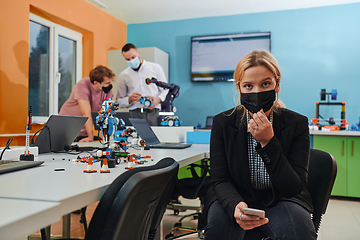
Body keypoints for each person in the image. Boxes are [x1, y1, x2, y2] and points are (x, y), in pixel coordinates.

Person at [204, 50, 317, 240]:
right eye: (248, 86)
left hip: (282, 197)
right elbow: (220, 179)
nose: (257, 92)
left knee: (299, 233)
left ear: (277, 85)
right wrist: (235, 206)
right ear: (239, 88)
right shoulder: (222, 123)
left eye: (265, 84)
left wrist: (268, 142)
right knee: (218, 230)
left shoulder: (296, 123)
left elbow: (293, 187)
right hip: (235, 195)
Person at [59, 66, 115, 142]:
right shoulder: (82, 85)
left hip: (83, 132)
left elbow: (107, 112)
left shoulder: (107, 89)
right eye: (107, 83)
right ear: (96, 83)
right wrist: (90, 136)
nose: (110, 85)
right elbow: (86, 113)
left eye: (110, 82)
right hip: (66, 129)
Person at [116, 43, 168, 126]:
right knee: (134, 138)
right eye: (127, 59)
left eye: (133, 57)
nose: (131, 61)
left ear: (139, 53)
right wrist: (129, 99)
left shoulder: (155, 68)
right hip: (134, 113)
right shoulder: (123, 75)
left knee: (156, 137)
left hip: (154, 113)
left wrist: (158, 99)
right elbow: (118, 101)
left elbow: (166, 90)